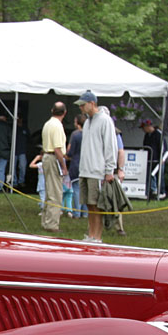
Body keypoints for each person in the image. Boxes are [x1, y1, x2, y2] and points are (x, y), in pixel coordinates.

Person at [75, 90, 117, 243]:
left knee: (97, 205)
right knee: (89, 205)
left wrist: (109, 170)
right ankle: (91, 234)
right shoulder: (86, 122)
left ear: (92, 104)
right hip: (85, 170)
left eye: (83, 105)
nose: (81, 108)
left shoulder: (105, 120)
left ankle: (97, 237)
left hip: (97, 171)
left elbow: (110, 146)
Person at [40, 102, 69, 232]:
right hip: (53, 158)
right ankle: (52, 224)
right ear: (64, 113)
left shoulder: (48, 123)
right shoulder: (57, 126)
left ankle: (46, 221)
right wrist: (63, 165)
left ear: (52, 110)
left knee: (49, 190)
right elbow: (57, 148)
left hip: (46, 156)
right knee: (56, 193)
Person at [66, 114, 85, 218]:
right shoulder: (90, 133)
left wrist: (67, 155)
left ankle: (77, 213)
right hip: (88, 164)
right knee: (85, 190)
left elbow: (71, 151)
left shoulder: (75, 134)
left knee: (77, 189)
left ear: (78, 123)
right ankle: (85, 213)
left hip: (76, 163)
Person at [140, 119, 164, 199]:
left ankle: (161, 192)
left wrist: (162, 158)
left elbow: (162, 147)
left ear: (148, 126)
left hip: (157, 159)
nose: (143, 130)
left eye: (144, 128)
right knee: (149, 176)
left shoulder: (158, 134)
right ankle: (149, 192)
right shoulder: (147, 135)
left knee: (159, 175)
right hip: (148, 159)